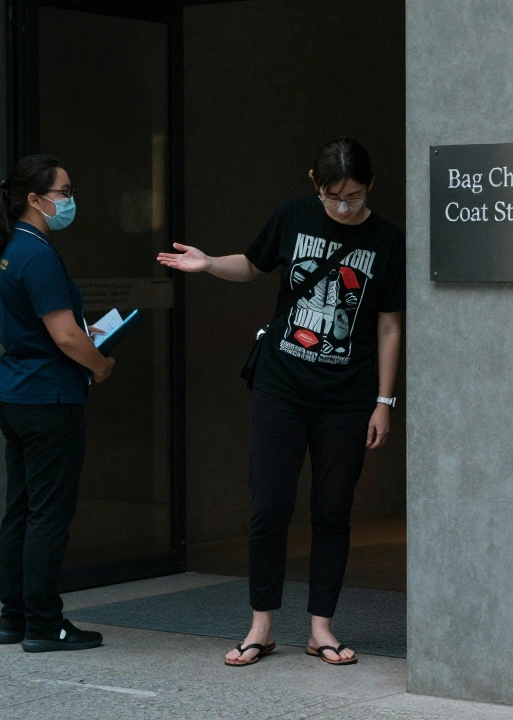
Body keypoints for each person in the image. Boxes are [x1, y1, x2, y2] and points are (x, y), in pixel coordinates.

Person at [157, 137, 404, 667]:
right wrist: (208, 264)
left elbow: (388, 324)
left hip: (347, 397)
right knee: (269, 506)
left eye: (355, 196)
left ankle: (321, 629)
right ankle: (261, 626)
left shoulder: (387, 240)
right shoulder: (293, 215)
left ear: (371, 186)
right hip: (282, 387)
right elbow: (251, 265)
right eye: (334, 196)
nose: (344, 207)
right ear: (315, 185)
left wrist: (384, 400)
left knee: (332, 512)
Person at [0, 154, 115, 653]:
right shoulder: (38, 254)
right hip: (48, 398)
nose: (70, 199)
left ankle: (13, 617)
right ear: (35, 200)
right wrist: (98, 364)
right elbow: (63, 335)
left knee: (19, 510)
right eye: (64, 191)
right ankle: (43, 623)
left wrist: (85, 340)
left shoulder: (11, 249)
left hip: (14, 391)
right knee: (47, 515)